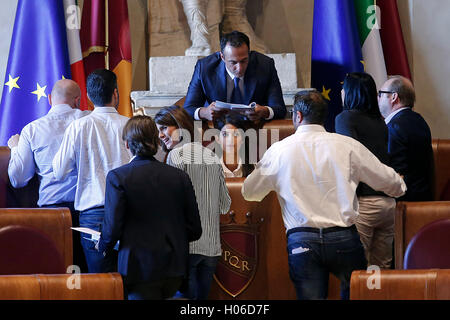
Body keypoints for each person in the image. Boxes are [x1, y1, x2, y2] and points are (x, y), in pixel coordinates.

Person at [242, 90, 406, 300]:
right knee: (356, 296)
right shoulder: (347, 145)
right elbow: (390, 182)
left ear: (298, 116)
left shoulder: (279, 151)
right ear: (323, 117)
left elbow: (250, 192)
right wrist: (400, 186)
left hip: (302, 240)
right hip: (344, 237)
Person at [97, 115, 202, 300]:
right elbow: (195, 229)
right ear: (156, 141)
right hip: (175, 268)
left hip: (138, 269)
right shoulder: (179, 177)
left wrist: (103, 246)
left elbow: (112, 228)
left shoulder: (118, 177)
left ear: (127, 145)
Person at [52, 69, 132, 273]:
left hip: (93, 214)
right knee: (130, 281)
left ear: (87, 96)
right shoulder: (131, 126)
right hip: (130, 211)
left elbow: (59, 171)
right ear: (116, 93)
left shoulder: (78, 127)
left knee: (101, 284)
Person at [7, 79, 89, 272]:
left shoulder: (32, 129)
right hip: (88, 209)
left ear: (50, 98)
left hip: (52, 213)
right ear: (78, 101)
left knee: (55, 272)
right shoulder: (90, 122)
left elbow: (18, 179)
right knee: (88, 276)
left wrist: (15, 149)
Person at [155, 105, 231, 300]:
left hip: (186, 247)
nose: (160, 135)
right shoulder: (213, 156)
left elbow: (170, 205)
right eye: (158, 130)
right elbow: (225, 205)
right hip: (212, 249)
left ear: (180, 125)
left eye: (164, 128)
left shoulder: (176, 155)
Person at [335, 72, 396, 269]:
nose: (341, 91)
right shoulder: (380, 121)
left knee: (359, 271)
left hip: (364, 203)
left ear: (350, 93)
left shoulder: (345, 119)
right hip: (388, 203)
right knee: (381, 268)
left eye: (344, 88)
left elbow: (348, 159)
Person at [183, 31, 286, 128]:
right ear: (222, 57)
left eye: (244, 61)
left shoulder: (265, 65)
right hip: (218, 131)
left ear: (249, 54)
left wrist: (265, 111)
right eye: (233, 62)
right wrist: (204, 112)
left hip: (253, 129)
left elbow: (280, 108)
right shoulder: (204, 68)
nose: (239, 68)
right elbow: (188, 109)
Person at [378, 75, 434, 201]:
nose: (378, 98)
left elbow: (395, 173)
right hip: (423, 198)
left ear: (394, 97)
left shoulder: (394, 127)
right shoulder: (419, 120)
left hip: (403, 204)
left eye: (381, 93)